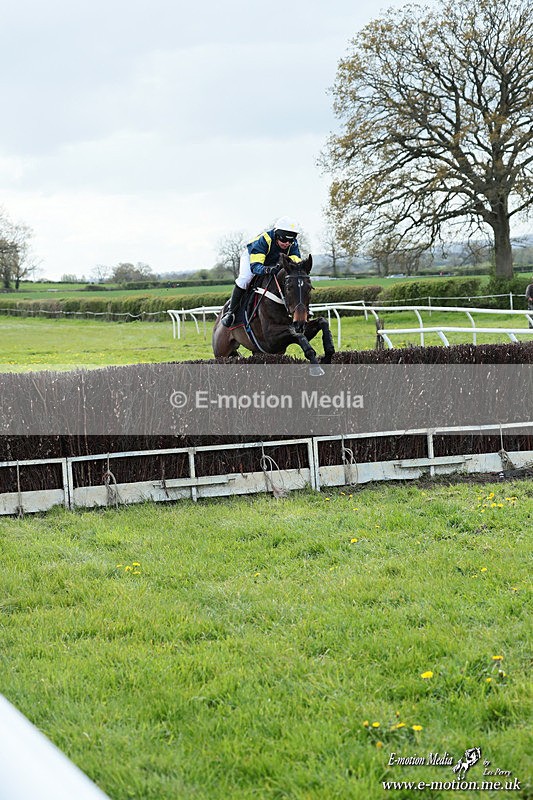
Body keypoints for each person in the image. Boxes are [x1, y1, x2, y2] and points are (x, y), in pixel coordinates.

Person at [221, 216, 302, 327]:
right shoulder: (264, 240)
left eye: (290, 240)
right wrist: (268, 269)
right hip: (253, 257)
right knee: (244, 279)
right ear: (277, 234)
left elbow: (296, 262)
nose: (287, 243)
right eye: (283, 239)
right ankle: (231, 313)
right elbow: (256, 267)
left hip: (272, 259)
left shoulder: (293, 243)